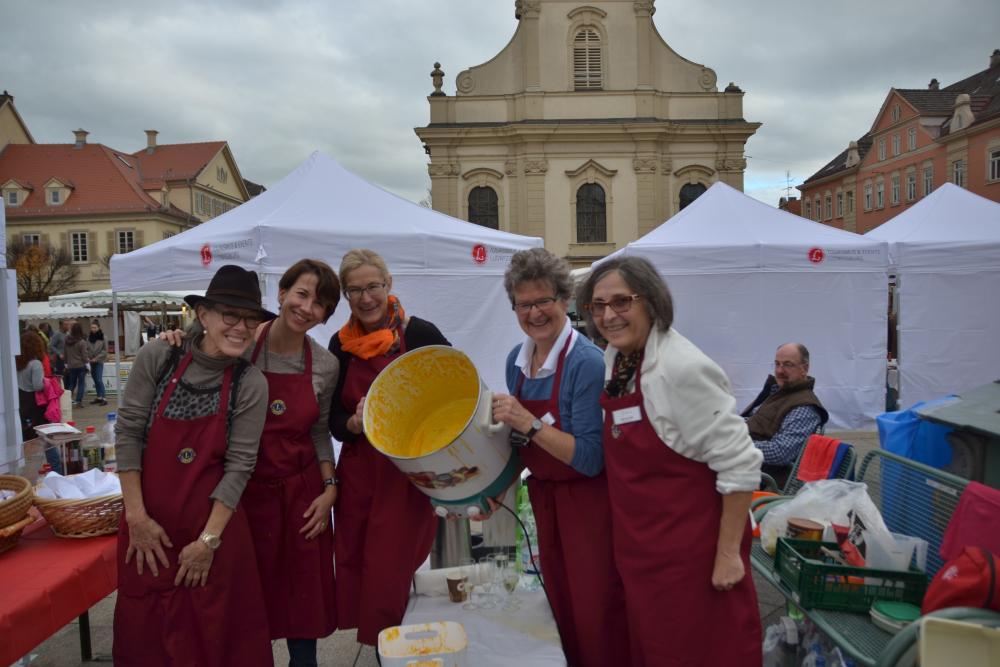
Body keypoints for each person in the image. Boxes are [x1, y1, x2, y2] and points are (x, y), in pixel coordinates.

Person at [578, 256, 763, 666]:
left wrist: (728, 554)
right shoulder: (618, 357)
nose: (608, 315)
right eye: (598, 305)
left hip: (693, 558)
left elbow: (740, 464)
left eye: (622, 302)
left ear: (651, 301)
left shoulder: (682, 368)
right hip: (643, 553)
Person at [161, 259, 341, 666]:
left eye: (320, 303)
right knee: (243, 607)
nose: (307, 308)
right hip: (241, 498)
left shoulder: (325, 365)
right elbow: (198, 344)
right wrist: (176, 337)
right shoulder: (241, 344)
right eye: (302, 294)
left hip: (302, 500)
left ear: (325, 315)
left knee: (302, 610)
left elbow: (318, 431)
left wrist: (330, 488)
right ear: (282, 293)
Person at [112, 264, 274, 666]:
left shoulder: (250, 383)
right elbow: (128, 434)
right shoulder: (160, 357)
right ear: (203, 315)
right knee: (148, 643)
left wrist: (207, 542)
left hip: (213, 539)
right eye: (230, 315)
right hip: (147, 535)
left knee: (217, 643)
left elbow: (239, 467)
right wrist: (136, 517)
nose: (241, 327)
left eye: (250, 320)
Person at [490, 248, 630, 667]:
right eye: (524, 304)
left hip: (588, 505)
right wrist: (492, 490)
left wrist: (528, 421)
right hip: (546, 500)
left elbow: (589, 458)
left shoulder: (585, 362)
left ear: (564, 299)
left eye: (543, 301)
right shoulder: (516, 361)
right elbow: (520, 445)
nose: (534, 313)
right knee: (560, 604)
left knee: (596, 609)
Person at [327, 248, 448, 646]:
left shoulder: (420, 334)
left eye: (373, 287)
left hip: (404, 475)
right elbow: (332, 420)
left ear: (389, 284)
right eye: (355, 290)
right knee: (360, 565)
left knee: (390, 571)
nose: (365, 298)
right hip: (359, 475)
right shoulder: (340, 344)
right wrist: (353, 423)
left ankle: (392, 647)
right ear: (345, 294)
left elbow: (456, 393)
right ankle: (386, 648)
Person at [740, 343, 829, 489]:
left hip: (759, 478)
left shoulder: (805, 406)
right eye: (777, 364)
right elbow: (756, 422)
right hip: (743, 465)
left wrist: (734, 444)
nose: (780, 370)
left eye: (788, 365)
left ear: (805, 368)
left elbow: (780, 452)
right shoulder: (780, 392)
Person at [64, 322, 90, 408]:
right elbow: (84, 355)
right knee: (81, 383)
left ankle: (67, 400)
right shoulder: (82, 342)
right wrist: (87, 364)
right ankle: (79, 401)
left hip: (71, 365)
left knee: (72, 383)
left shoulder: (67, 341)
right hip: (80, 365)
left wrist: (66, 364)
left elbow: (65, 353)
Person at [88, 320, 109, 406]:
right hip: (91, 361)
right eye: (92, 327)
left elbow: (105, 350)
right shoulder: (89, 337)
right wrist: (88, 357)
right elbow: (86, 348)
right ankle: (99, 396)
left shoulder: (103, 337)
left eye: (95, 327)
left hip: (99, 360)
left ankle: (104, 398)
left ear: (99, 328)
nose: (93, 329)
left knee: (99, 379)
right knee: (95, 379)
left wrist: (96, 358)